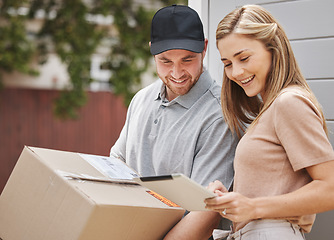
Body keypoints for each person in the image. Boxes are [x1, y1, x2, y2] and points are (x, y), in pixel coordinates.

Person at [204, 4, 334, 240]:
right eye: (227, 63)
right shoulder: (270, 110)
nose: (236, 72)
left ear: (273, 48)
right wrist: (232, 199)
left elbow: (331, 188)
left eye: (243, 58)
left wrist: (254, 208)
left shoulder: (289, 103)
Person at [110, 4, 238, 239]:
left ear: (205, 48)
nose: (177, 73)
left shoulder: (220, 114)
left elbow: (205, 213)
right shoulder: (141, 99)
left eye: (187, 60)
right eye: (165, 61)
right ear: (152, 52)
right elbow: (117, 166)